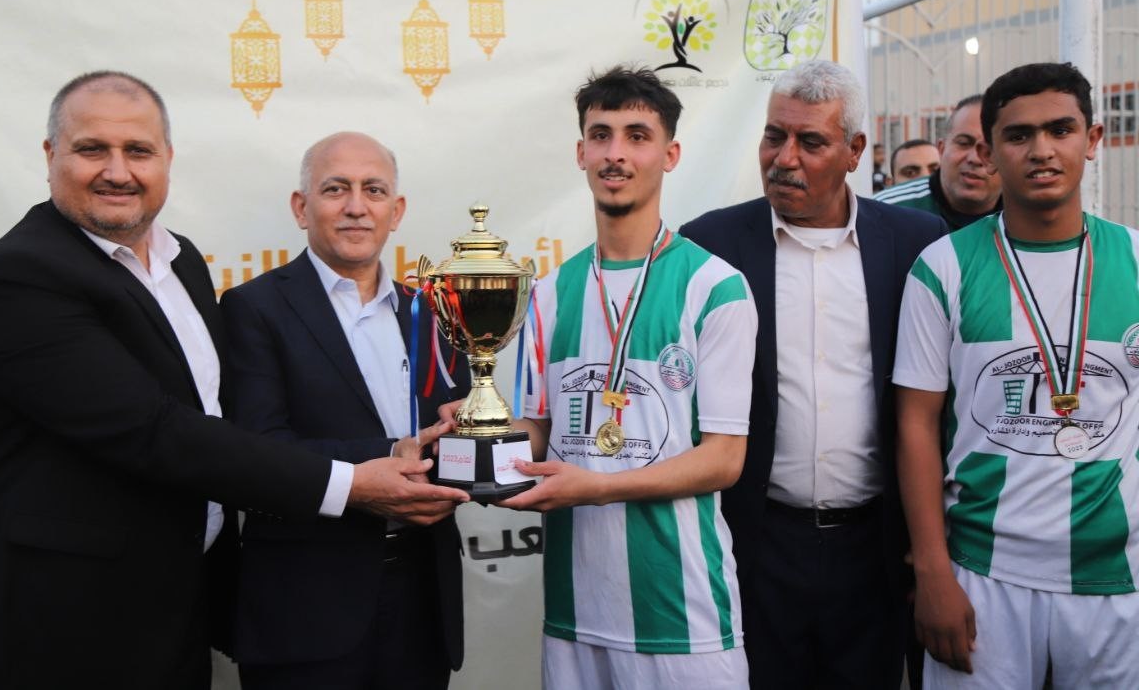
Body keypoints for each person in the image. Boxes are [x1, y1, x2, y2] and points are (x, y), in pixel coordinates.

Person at [0, 72, 467, 690]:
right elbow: (155, 431)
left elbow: (211, 413)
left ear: (167, 159)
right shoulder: (21, 276)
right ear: (51, 155)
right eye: (92, 149)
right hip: (56, 625)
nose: (118, 171)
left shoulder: (179, 260)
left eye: (138, 151)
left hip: (173, 608)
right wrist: (351, 481)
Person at [470, 65, 757, 687]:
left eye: (637, 136)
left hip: (682, 614)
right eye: (601, 135)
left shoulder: (715, 287)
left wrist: (597, 486)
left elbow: (724, 460)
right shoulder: (549, 293)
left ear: (670, 155)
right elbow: (537, 432)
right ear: (581, 152)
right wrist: (476, 437)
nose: (616, 153)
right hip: (574, 614)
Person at [680, 60, 947, 689]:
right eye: (775, 136)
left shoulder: (916, 242)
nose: (785, 159)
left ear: (855, 151)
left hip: (875, 552)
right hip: (755, 546)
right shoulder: (710, 243)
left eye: (811, 141)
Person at [895, 62, 1138, 688]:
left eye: (1061, 130)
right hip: (981, 572)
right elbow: (916, 425)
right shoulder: (942, 266)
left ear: (1094, 138)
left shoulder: (1137, 259)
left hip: (1117, 576)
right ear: (991, 150)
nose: (1042, 150)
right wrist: (932, 572)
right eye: (1019, 134)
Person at [220, 132, 469, 689]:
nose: (357, 206)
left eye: (373, 190)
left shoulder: (432, 312)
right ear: (301, 207)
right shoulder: (252, 308)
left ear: (395, 212)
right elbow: (255, 451)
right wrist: (389, 454)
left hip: (422, 597)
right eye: (336, 189)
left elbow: (452, 429)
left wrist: (474, 441)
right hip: (306, 606)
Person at [876, 96, 1002, 231]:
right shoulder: (882, 210)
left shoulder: (1019, 213)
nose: (975, 159)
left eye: (989, 149)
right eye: (964, 143)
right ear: (942, 149)